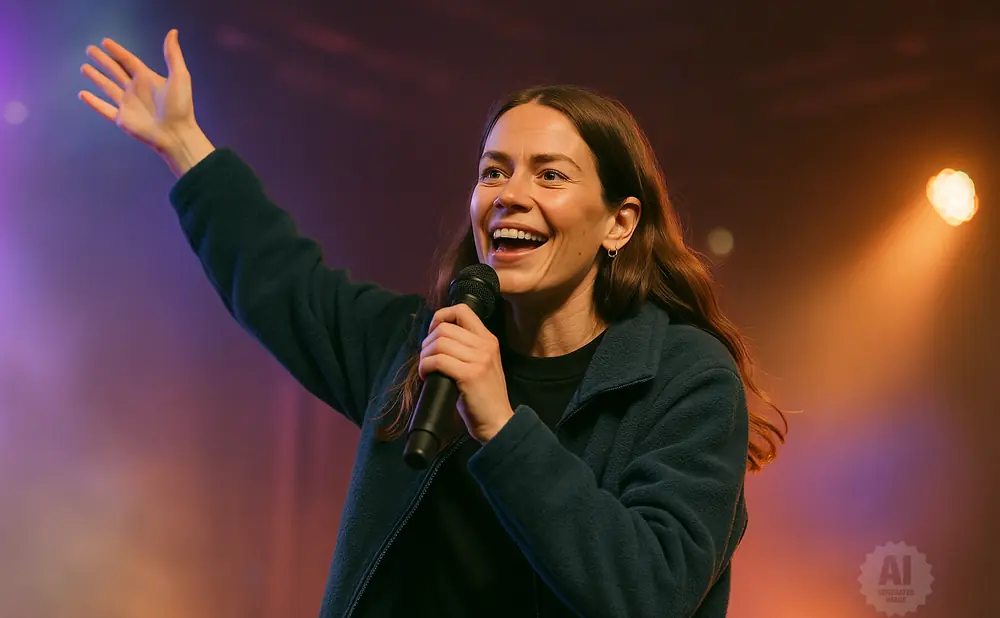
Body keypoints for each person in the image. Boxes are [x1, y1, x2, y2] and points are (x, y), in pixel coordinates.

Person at [79, 29, 787, 618]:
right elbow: (284, 282)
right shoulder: (422, 348)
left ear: (619, 223)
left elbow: (649, 594)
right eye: (493, 172)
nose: (510, 196)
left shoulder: (685, 378)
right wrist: (184, 148)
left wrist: (502, 426)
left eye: (549, 175)